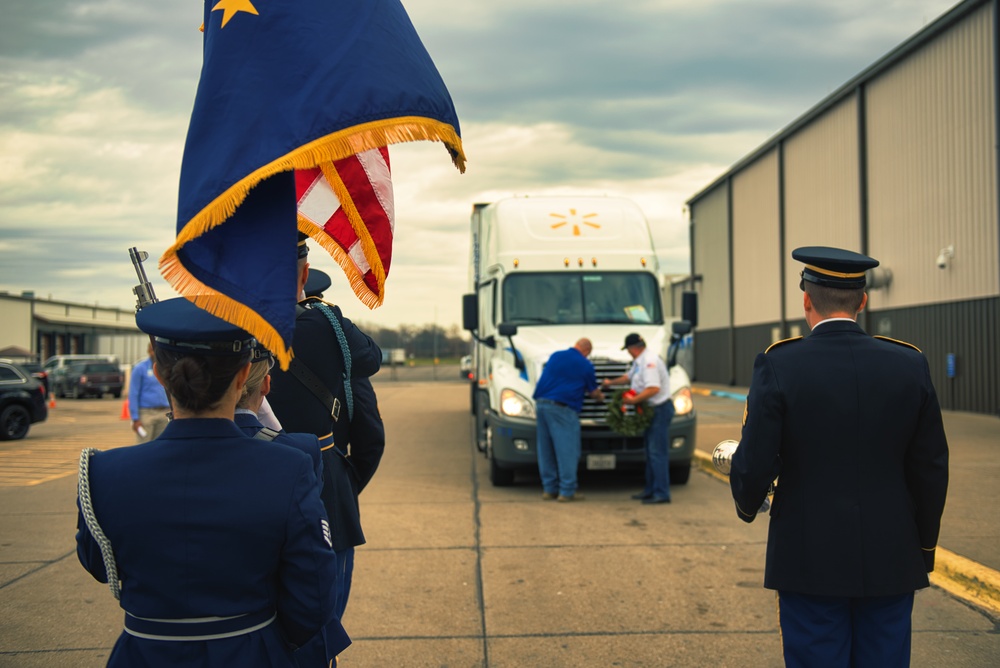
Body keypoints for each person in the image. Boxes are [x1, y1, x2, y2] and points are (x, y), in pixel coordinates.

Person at [76, 297, 346, 667]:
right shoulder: (290, 467)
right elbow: (314, 595)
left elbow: (99, 564)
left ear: (157, 371)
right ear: (242, 375)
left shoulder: (102, 471)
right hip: (252, 652)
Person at [728, 246, 949, 667]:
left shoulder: (779, 364)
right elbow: (931, 467)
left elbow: (755, 459)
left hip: (808, 555)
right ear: (863, 301)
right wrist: (923, 544)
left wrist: (746, 502)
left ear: (806, 300)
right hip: (891, 554)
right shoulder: (909, 363)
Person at [267, 233, 385, 621]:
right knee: (321, 623)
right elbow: (371, 359)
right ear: (303, 273)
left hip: (242, 479)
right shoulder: (328, 325)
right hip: (323, 486)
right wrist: (347, 485)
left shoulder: (228, 327)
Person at [234, 343, 349, 667]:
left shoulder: (108, 473)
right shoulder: (297, 458)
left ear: (160, 375)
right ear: (264, 383)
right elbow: (315, 586)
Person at [602, 333, 675, 504]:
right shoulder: (639, 361)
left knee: (657, 453)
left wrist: (632, 400)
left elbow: (653, 388)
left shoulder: (649, 362)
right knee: (650, 452)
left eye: (628, 349)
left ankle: (661, 493)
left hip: (659, 409)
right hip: (651, 410)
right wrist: (610, 383)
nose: (628, 353)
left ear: (633, 348)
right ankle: (650, 489)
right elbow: (628, 377)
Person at [532, 338, 604, 502]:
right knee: (567, 450)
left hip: (542, 405)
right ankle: (567, 491)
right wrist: (601, 396)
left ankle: (549, 489)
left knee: (546, 449)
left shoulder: (556, 356)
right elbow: (593, 392)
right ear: (587, 351)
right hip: (562, 408)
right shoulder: (585, 365)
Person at [127, 343, 170, 442]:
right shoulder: (139, 369)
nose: (154, 353)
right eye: (152, 350)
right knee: (144, 446)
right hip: (146, 414)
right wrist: (135, 418)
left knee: (161, 446)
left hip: (164, 413)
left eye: (156, 350)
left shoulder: (166, 367)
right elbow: (133, 394)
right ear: (148, 351)